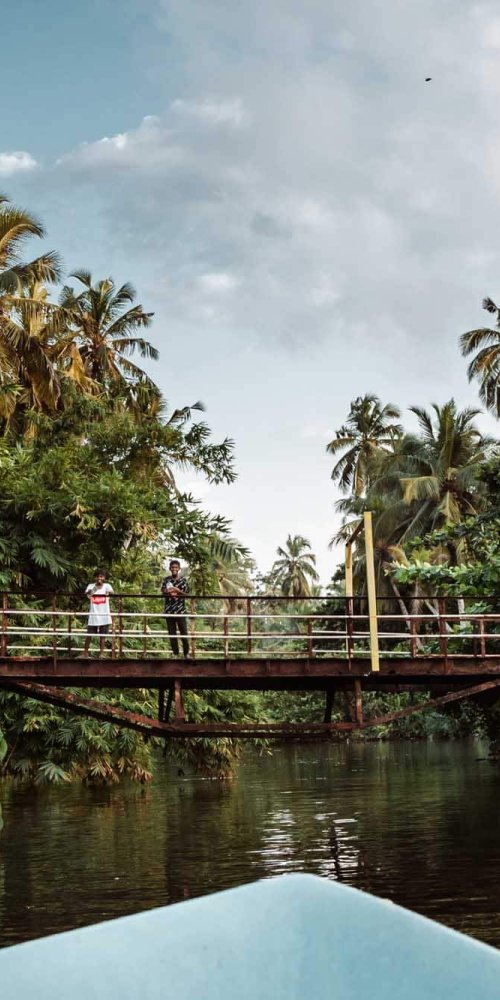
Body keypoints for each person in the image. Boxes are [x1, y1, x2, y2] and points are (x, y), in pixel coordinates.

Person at [82, 570, 114, 658]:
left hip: (104, 614)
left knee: (102, 636)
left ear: (104, 578)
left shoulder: (107, 586)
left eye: (101, 576)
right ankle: (85, 653)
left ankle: (101, 654)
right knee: (89, 635)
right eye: (98, 576)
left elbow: (112, 592)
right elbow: (88, 594)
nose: (99, 578)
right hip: (94, 614)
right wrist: (96, 587)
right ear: (95, 577)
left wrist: (107, 592)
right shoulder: (91, 586)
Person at [161, 560, 190, 658]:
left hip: (180, 610)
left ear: (179, 569)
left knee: (184, 633)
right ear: (170, 568)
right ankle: (175, 653)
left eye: (176, 567)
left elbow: (187, 594)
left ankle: (186, 653)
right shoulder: (166, 580)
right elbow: (163, 592)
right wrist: (167, 591)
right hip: (169, 610)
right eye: (172, 567)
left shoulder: (183, 580)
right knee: (172, 633)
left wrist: (178, 590)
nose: (174, 569)